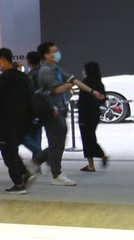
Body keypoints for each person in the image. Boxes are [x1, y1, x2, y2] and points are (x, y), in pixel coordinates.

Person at [33, 41, 103, 186]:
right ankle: (55, 173)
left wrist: (92, 91)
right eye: (54, 51)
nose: (57, 53)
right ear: (46, 55)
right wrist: (68, 86)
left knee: (58, 143)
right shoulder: (45, 71)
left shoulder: (56, 69)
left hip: (59, 110)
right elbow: (55, 90)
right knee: (57, 144)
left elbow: (74, 80)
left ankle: (37, 162)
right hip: (51, 110)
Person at [0, 48, 37, 195]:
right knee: (12, 150)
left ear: (3, 60)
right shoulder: (24, 77)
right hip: (22, 121)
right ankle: (24, 173)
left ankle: (18, 184)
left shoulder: (0, 80)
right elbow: (31, 98)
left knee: (8, 152)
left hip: (6, 122)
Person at [78, 61, 108, 172]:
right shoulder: (100, 83)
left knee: (87, 139)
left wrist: (81, 117)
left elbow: (82, 102)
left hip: (85, 115)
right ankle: (99, 157)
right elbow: (102, 99)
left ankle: (92, 163)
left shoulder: (85, 84)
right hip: (95, 114)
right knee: (91, 137)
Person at [22, 51, 45, 167]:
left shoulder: (29, 76)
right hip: (41, 109)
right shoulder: (43, 73)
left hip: (31, 109)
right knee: (37, 136)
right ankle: (37, 163)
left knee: (25, 137)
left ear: (28, 61)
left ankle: (43, 155)